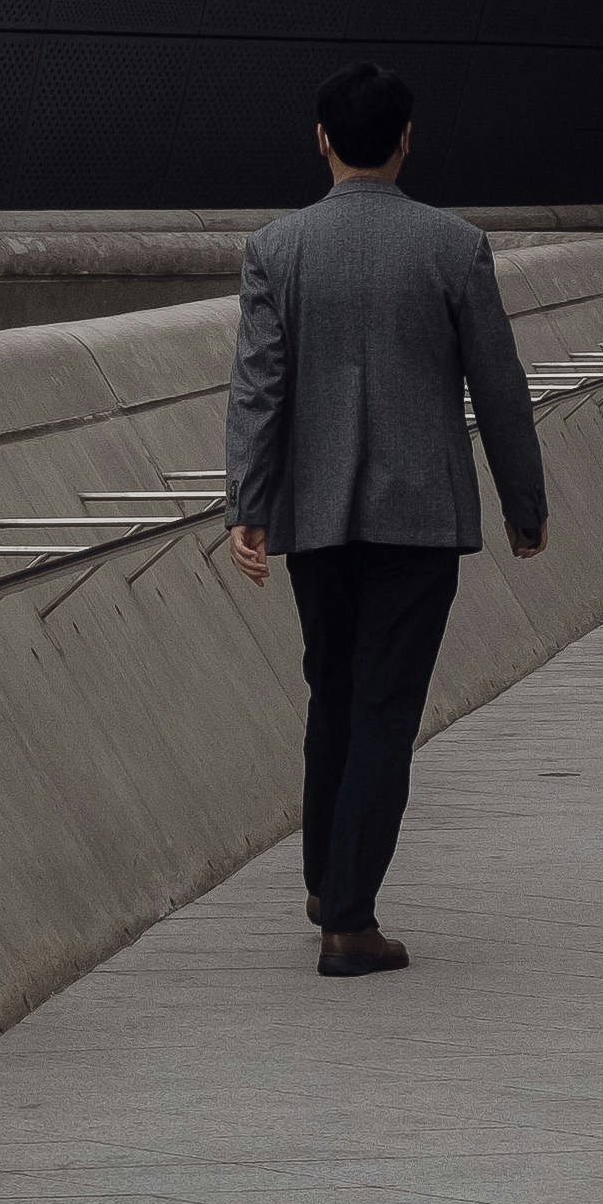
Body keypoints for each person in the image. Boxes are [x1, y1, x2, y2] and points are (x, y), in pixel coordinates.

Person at [225, 62, 549, 977]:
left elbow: (259, 390)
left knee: (331, 694)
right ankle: (349, 920)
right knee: (383, 708)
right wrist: (525, 504)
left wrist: (248, 505)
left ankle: (330, 884)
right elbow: (500, 387)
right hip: (418, 519)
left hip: (314, 518)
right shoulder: (453, 246)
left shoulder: (275, 251)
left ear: (321, 139)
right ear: (406, 140)